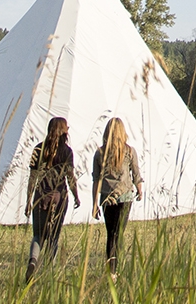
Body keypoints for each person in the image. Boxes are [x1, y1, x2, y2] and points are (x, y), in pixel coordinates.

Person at [24, 117, 80, 281]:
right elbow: (70, 176)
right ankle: (50, 272)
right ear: (64, 131)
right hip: (59, 197)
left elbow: (32, 177)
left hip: (41, 197)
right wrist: (76, 195)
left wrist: (28, 200)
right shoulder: (67, 152)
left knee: (38, 235)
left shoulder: (38, 149)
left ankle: (33, 261)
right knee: (54, 237)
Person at [91, 118, 142, 271]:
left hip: (107, 197)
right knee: (119, 233)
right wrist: (139, 188)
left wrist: (95, 203)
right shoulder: (129, 151)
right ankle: (115, 267)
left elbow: (96, 180)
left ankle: (111, 268)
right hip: (125, 196)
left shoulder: (100, 153)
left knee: (111, 234)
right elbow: (136, 173)